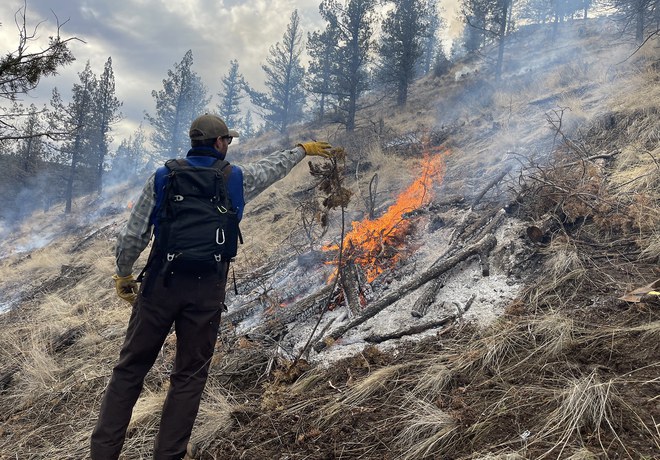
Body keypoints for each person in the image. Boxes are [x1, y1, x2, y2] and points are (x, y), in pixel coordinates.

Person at [91, 114, 333, 460]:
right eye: (228, 141)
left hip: (161, 283)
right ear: (219, 143)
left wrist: (123, 274)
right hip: (206, 289)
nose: (229, 146)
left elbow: (133, 235)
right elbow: (271, 168)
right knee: (188, 376)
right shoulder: (234, 178)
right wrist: (301, 150)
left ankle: (102, 454)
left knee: (130, 370)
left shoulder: (163, 176)